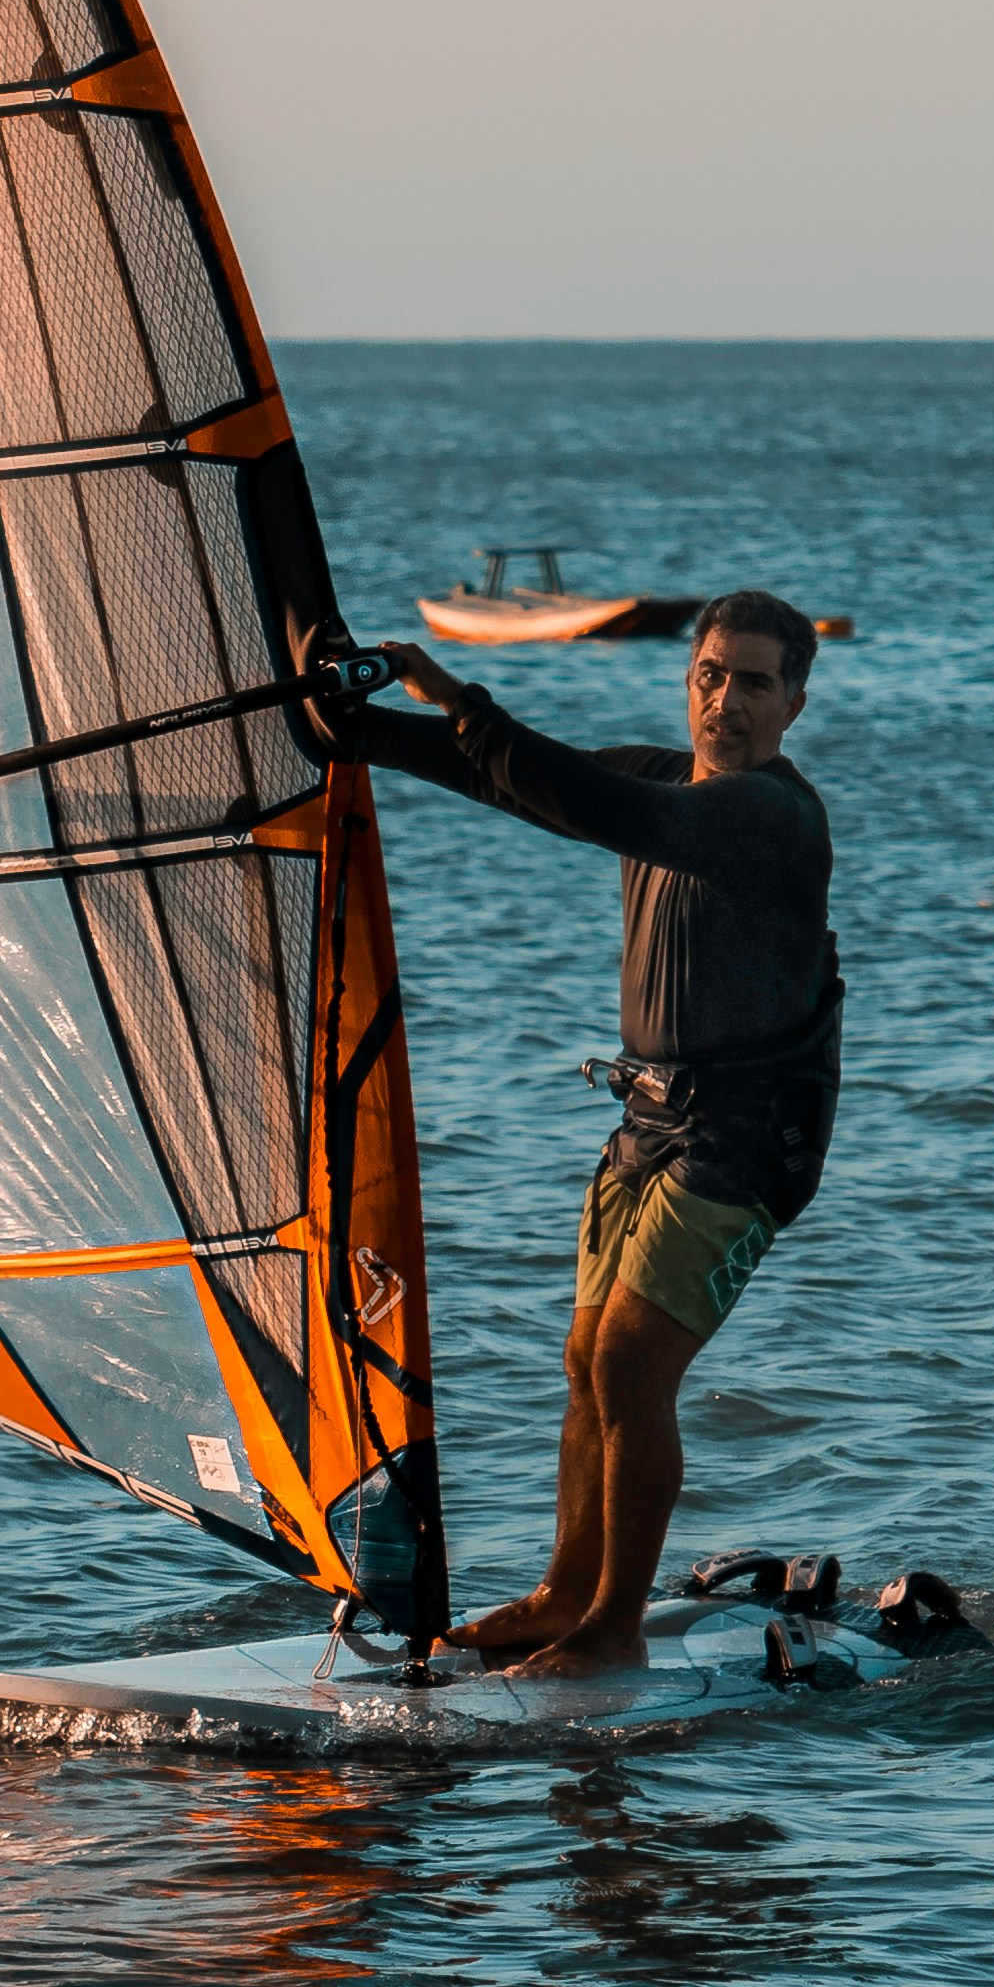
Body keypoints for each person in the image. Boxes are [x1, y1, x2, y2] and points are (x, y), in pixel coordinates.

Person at [345, 593, 840, 1669]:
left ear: (793, 704)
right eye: (710, 674)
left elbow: (573, 795)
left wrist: (454, 693)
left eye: (754, 683)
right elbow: (509, 775)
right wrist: (345, 727)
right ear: (687, 682)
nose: (725, 700)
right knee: (583, 1361)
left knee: (627, 1365)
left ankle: (614, 1631)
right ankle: (565, 1594)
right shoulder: (662, 777)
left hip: (745, 1139)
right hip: (646, 1120)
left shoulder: (769, 817)